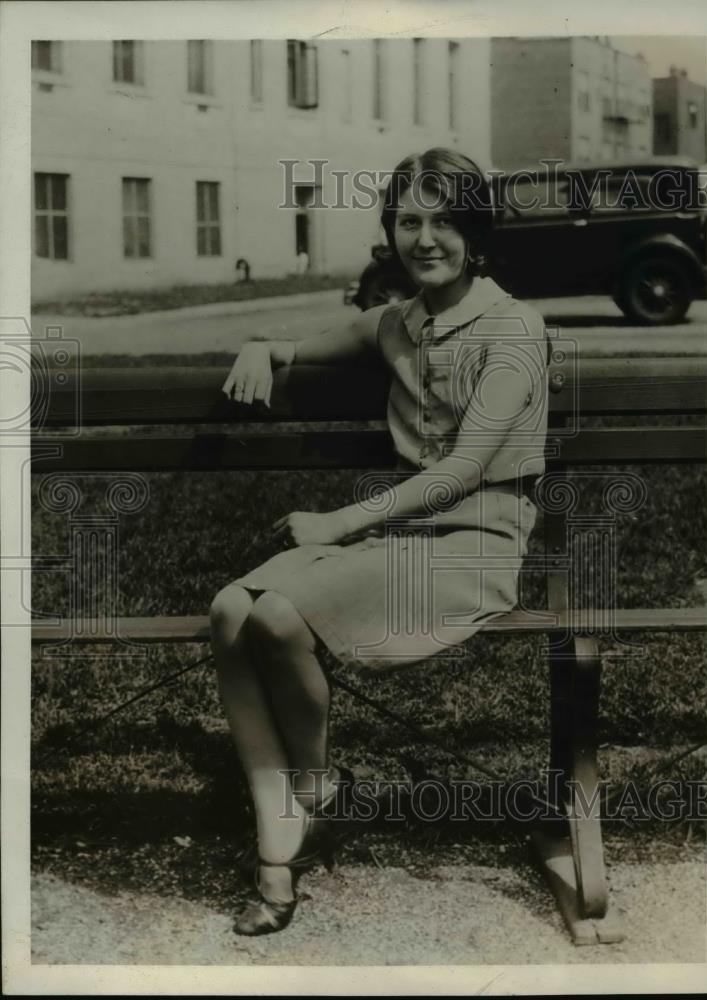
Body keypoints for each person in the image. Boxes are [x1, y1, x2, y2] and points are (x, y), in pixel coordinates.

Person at [211, 148, 549, 936]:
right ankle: (299, 812)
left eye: (443, 221)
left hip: (474, 548)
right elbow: (315, 343)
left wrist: (334, 524)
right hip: (397, 542)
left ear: (474, 231)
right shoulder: (397, 322)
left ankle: (291, 837)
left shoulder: (514, 330)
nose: (424, 238)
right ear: (390, 229)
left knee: (277, 617)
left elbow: (465, 469)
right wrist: (266, 343)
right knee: (232, 609)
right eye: (408, 220)